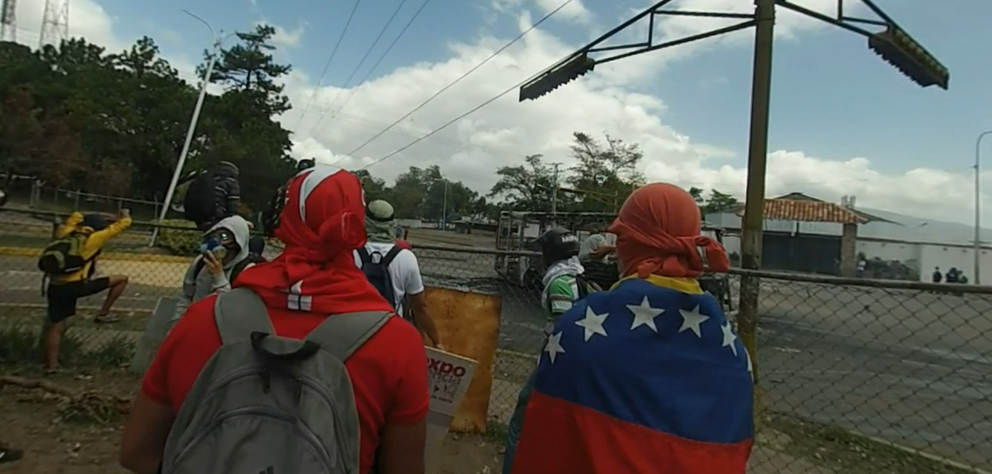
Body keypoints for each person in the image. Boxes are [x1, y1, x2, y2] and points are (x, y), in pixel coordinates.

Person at [120, 167, 429, 474]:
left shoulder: (203, 319)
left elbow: (137, 454)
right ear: (355, 225)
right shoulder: (398, 343)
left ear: (285, 217)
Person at [506, 183, 754, 474]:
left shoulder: (580, 330)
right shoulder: (732, 351)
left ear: (628, 244)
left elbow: (545, 446)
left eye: (620, 237)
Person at [503, 227, 598, 473]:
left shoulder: (559, 284)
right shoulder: (578, 276)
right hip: (579, 361)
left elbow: (563, 328)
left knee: (519, 425)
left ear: (549, 253)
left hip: (559, 359)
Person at [42, 210, 132, 374]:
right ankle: (103, 313)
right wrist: (121, 215)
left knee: (55, 326)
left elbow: (75, 214)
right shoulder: (95, 238)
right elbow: (124, 224)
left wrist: (96, 215)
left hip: (55, 285)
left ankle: (52, 366)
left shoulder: (67, 232)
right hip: (77, 286)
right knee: (121, 279)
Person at [354, 199, 443, 350]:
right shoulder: (406, 257)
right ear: (391, 224)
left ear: (365, 220)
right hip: (390, 332)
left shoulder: (350, 252)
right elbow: (420, 307)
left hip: (354, 333)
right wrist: (436, 341)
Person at [170, 216, 253, 326]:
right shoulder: (201, 262)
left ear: (238, 244)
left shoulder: (246, 271)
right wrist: (176, 325)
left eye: (224, 236)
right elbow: (187, 296)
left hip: (221, 333)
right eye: (213, 236)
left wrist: (218, 276)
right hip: (192, 326)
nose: (216, 242)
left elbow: (230, 308)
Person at [183, 161, 241, 231]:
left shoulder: (206, 179)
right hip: (218, 218)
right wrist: (232, 221)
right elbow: (233, 204)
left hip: (199, 218)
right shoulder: (231, 181)